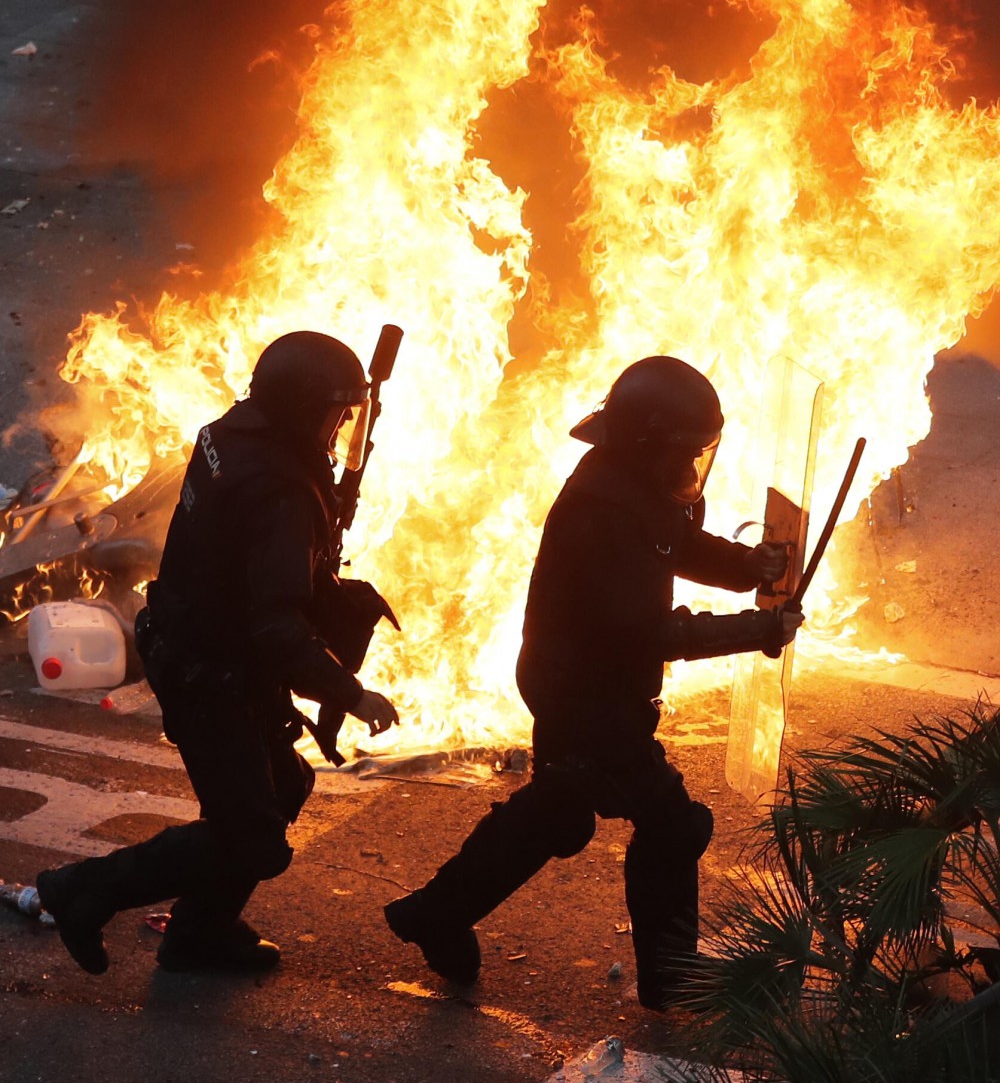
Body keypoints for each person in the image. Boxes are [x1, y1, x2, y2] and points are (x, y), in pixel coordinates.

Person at [384, 354, 799, 1010]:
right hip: (587, 694)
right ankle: (673, 978)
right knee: (674, 824)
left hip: (580, 680)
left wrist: (750, 565)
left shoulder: (632, 485)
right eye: (683, 454)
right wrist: (755, 629)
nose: (692, 470)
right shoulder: (601, 510)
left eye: (699, 455)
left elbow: (674, 542)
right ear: (645, 443)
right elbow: (650, 633)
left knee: (559, 813)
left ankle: (434, 913)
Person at [38, 330, 399, 975]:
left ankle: (199, 931)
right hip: (213, 673)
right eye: (334, 410)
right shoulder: (282, 488)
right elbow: (277, 624)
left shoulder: (232, 434)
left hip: (200, 647)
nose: (342, 423)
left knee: (283, 784)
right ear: (300, 404)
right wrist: (351, 692)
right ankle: (84, 891)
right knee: (252, 838)